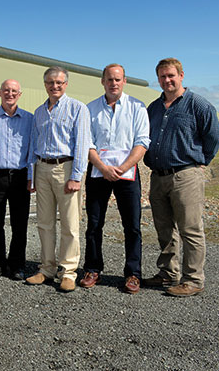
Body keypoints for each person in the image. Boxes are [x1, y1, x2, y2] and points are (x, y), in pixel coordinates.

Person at [143, 58, 219, 297]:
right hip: (158, 176)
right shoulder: (154, 108)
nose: (167, 80)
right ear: (158, 79)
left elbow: (214, 139)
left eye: (171, 76)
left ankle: (194, 279)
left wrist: (198, 163)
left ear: (181, 75)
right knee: (164, 229)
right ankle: (168, 273)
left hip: (185, 175)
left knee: (190, 229)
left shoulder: (198, 105)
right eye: (162, 77)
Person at [80, 64, 150, 294]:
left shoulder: (137, 107)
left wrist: (121, 168)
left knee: (132, 226)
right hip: (99, 173)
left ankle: (133, 274)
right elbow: (87, 144)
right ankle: (92, 269)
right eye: (109, 79)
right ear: (102, 81)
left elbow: (142, 142)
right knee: (94, 224)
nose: (114, 83)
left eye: (118, 79)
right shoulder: (90, 109)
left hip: (127, 173)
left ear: (124, 81)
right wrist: (103, 167)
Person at [26, 66, 91, 292]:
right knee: (44, 223)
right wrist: (31, 176)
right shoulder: (39, 112)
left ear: (66, 84)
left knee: (70, 224)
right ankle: (46, 268)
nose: (55, 86)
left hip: (66, 168)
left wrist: (76, 176)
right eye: (50, 82)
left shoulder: (78, 109)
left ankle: (69, 271)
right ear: (45, 84)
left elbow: (82, 145)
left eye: (59, 82)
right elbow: (34, 145)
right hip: (42, 169)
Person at [0, 79, 34, 281]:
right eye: (6, 90)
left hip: (20, 176)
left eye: (14, 91)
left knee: (19, 224)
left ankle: (17, 265)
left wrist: (31, 176)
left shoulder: (29, 119)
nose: (10, 94)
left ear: (20, 94)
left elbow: (32, 150)